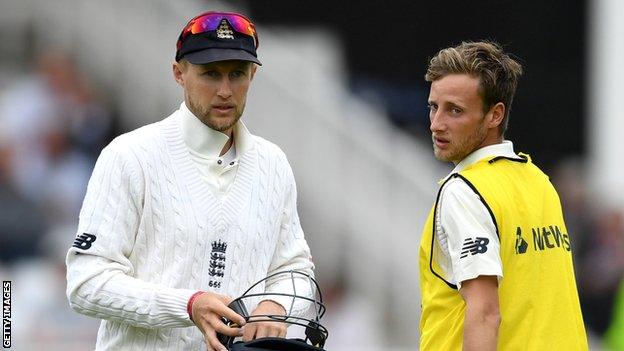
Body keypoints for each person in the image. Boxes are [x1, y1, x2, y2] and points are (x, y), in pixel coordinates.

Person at [66, 11, 315, 351]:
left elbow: (297, 270)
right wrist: (188, 305)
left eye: (237, 74)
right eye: (210, 74)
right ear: (178, 73)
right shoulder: (130, 156)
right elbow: (86, 284)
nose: (225, 91)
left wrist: (276, 305)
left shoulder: (273, 164)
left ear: (253, 75)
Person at [418, 41, 588, 350]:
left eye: (454, 110)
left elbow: (484, 314)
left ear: (495, 115)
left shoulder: (464, 191)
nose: (436, 124)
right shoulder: (539, 181)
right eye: (434, 106)